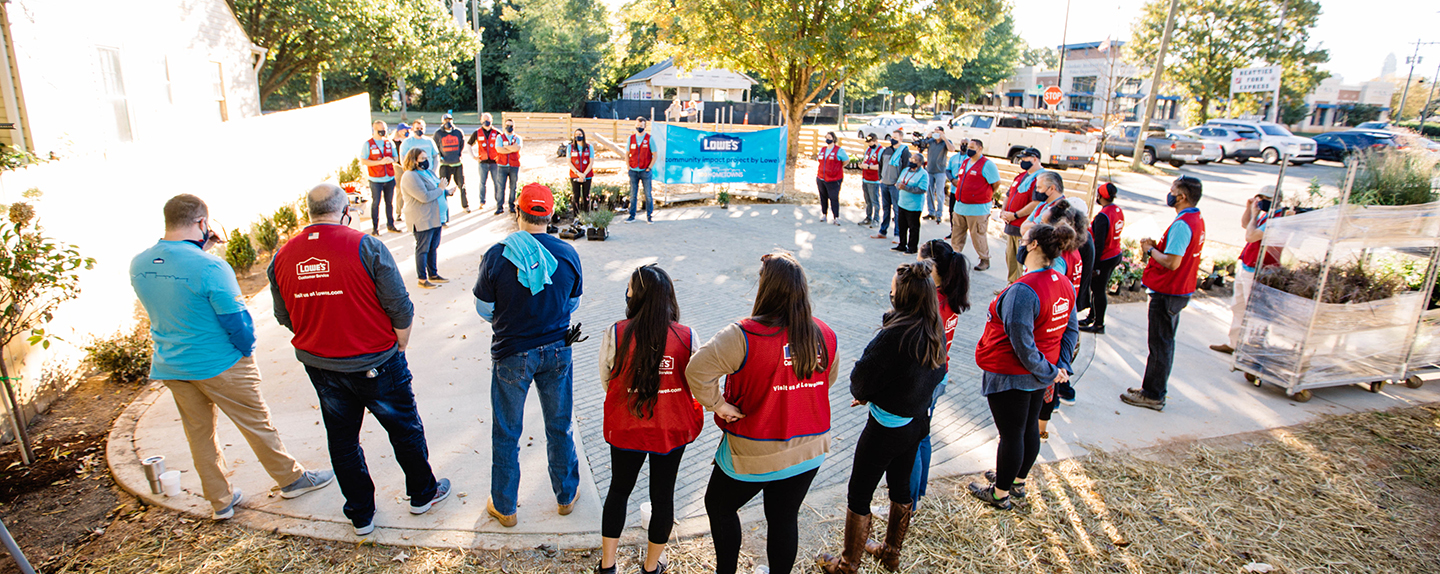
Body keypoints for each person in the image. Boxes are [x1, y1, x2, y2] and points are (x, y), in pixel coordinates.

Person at [129, 194, 334, 521]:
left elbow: (176, 294)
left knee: (199, 434)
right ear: (202, 223)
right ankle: (291, 479)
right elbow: (235, 320)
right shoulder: (210, 266)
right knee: (257, 424)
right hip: (220, 362)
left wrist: (200, 251)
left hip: (171, 364)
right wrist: (247, 349)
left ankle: (220, 500)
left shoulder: (139, 264)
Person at [268, 184, 450, 536]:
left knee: (342, 440)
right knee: (404, 429)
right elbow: (400, 307)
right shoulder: (366, 246)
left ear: (309, 213)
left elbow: (284, 315)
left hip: (322, 366)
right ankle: (422, 494)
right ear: (345, 209)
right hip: (377, 361)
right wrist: (400, 345)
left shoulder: (281, 257)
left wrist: (318, 332)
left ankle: (361, 514)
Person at [686, 252, 837, 574]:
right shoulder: (824, 334)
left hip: (754, 449)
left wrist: (719, 405)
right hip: (810, 448)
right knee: (783, 517)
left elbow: (696, 371)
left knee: (719, 505)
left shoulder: (741, 335)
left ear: (765, 288)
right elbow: (827, 380)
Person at [817, 261, 947, 574]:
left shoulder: (894, 336)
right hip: (916, 422)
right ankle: (891, 553)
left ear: (902, 297)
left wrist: (868, 394)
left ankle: (848, 564)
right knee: (900, 487)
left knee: (859, 493)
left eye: (892, 290)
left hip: (886, 427)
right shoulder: (934, 328)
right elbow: (931, 375)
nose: (889, 292)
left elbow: (860, 379)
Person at [473, 183, 585, 527]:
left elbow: (483, 308)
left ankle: (505, 507)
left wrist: (510, 319)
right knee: (559, 425)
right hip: (557, 351)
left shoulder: (497, 254)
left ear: (517, 212)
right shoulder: (568, 254)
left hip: (512, 353)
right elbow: (572, 302)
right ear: (550, 216)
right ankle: (566, 496)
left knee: (507, 431)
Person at [597, 265, 702, 574]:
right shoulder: (687, 335)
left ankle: (607, 565)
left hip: (628, 426)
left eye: (629, 287)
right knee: (663, 495)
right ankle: (652, 565)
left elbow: (606, 379)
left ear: (637, 295)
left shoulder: (616, 331)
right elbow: (695, 382)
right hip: (670, 428)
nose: (626, 292)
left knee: (619, 489)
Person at [968, 223, 1079, 510]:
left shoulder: (1024, 290)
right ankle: (1015, 480)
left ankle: (1000, 493)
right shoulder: (1063, 282)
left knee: (1012, 435)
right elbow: (1071, 330)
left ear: (1032, 246)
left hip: (1014, 375)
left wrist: (1052, 371)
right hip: (1042, 374)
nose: (1019, 242)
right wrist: (1057, 367)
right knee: (1028, 428)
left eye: (1024, 239)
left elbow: (1022, 344)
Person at [1121, 176, 1206, 412]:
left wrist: (1150, 250)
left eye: (1172, 191)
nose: (1169, 194)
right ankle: (1151, 389)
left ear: (1182, 196)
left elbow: (1172, 262)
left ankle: (1154, 394)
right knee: (1162, 343)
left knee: (1160, 345)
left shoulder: (1182, 224)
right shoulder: (1195, 218)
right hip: (1177, 290)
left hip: (1168, 291)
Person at [909, 239, 970, 507]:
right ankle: (916, 495)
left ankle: (907, 500)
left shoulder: (928, 301)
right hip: (939, 374)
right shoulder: (948, 295)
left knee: (910, 442)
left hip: (922, 378)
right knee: (923, 435)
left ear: (929, 265)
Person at [1034, 200, 1088, 437]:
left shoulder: (1058, 262)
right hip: (1065, 317)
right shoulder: (1075, 251)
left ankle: (1040, 427)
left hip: (1053, 326)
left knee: (1047, 386)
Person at [1210, 186, 1276, 355]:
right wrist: (1249, 209)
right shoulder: (1263, 216)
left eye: (1265, 199)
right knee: (1238, 306)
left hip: (1259, 270)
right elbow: (1245, 225)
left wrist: (1255, 215)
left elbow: (1251, 236)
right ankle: (1234, 343)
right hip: (1247, 265)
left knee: (1254, 312)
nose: (1261, 202)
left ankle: (1252, 349)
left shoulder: (1276, 219)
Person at [948, 138, 1000, 271]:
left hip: (977, 208)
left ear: (980, 149)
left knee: (977, 235)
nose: (968, 149)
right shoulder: (966, 162)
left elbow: (996, 183)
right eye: (967, 146)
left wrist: (985, 194)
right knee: (957, 233)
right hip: (960, 206)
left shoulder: (987, 165)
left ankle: (984, 259)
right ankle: (955, 256)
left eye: (972, 147)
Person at [399, 148, 448, 289]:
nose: (426, 161)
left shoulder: (427, 172)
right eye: (422, 158)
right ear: (413, 160)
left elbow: (438, 189)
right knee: (423, 249)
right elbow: (424, 197)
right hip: (422, 218)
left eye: (426, 158)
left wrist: (446, 191)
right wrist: (441, 189)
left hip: (435, 217)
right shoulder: (410, 176)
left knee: (433, 247)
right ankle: (422, 279)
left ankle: (433, 274)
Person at [1081, 183, 1125, 335]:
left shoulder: (1102, 217)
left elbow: (1099, 243)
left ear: (1100, 196)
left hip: (1106, 257)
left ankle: (1099, 324)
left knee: (1098, 291)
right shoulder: (1116, 210)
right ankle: (1091, 317)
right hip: (1115, 253)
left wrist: (1095, 266)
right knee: (1098, 289)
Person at [997, 148, 1047, 282]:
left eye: (1025, 159)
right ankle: (1011, 284)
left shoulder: (1041, 178)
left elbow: (1036, 203)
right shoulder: (1021, 176)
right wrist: (1004, 211)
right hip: (1011, 225)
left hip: (1023, 227)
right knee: (1011, 258)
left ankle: (1019, 285)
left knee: (1021, 260)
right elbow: (1009, 194)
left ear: (1035, 159)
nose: (1021, 161)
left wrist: (1016, 215)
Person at [360, 120, 401, 236]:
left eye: (385, 129)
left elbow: (396, 157)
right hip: (375, 179)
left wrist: (391, 160)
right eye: (380, 130)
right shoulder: (368, 144)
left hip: (389, 177)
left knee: (389, 202)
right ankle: (375, 227)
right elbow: (363, 161)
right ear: (375, 130)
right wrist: (378, 163)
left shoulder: (389, 143)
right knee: (376, 203)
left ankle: (390, 224)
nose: (383, 132)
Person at [871, 130, 910, 240]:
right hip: (884, 183)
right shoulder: (887, 150)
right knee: (886, 208)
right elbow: (881, 164)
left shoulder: (904, 151)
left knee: (897, 210)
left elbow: (906, 168)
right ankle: (883, 231)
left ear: (901, 139)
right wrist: (880, 178)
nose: (892, 139)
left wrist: (899, 181)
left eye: (895, 137)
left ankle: (898, 234)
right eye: (892, 136)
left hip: (895, 185)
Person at [893, 154, 929, 255]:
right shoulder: (905, 170)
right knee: (902, 226)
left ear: (920, 163)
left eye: (915, 160)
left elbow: (922, 189)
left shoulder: (923, 174)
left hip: (914, 206)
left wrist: (906, 188)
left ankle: (912, 247)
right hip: (902, 203)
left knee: (913, 227)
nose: (912, 161)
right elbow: (899, 181)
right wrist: (898, 185)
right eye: (911, 159)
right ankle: (901, 244)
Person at [433, 112, 469, 213]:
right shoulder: (438, 133)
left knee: (462, 185)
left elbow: (462, 144)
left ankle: (465, 205)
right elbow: (436, 146)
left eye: (449, 120)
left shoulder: (458, 132)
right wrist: (441, 156)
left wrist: (458, 155)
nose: (448, 122)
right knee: (442, 186)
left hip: (457, 163)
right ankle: (441, 207)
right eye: (446, 120)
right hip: (445, 164)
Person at [921, 126, 955, 223]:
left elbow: (952, 149)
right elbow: (921, 146)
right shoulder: (931, 141)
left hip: (940, 171)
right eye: (935, 131)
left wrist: (944, 138)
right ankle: (931, 212)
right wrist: (927, 137)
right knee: (929, 192)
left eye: (938, 132)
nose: (936, 133)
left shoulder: (946, 142)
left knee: (940, 193)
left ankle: (939, 213)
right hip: (930, 170)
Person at [469, 113, 501, 213]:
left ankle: (498, 202)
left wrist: (500, 156)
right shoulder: (477, 132)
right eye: (484, 119)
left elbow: (504, 145)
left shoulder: (497, 132)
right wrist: (473, 156)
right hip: (482, 162)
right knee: (482, 183)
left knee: (497, 182)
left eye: (488, 119)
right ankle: (482, 202)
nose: (487, 122)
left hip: (494, 162)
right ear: (481, 120)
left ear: (492, 120)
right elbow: (469, 144)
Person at [627, 117, 656, 223]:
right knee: (633, 194)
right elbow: (627, 154)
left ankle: (649, 216)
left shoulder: (649, 138)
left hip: (645, 171)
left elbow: (655, 155)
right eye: (638, 125)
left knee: (648, 194)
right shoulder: (631, 138)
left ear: (645, 126)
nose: (639, 127)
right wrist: (628, 166)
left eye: (641, 125)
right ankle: (632, 216)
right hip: (633, 170)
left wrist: (649, 167)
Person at [816, 131, 848, 225]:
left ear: (833, 139)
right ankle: (824, 214)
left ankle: (836, 217)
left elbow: (846, 161)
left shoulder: (839, 150)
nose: (827, 139)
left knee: (834, 197)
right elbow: (819, 160)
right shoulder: (822, 149)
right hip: (821, 177)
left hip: (834, 179)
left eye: (829, 137)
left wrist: (837, 168)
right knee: (823, 196)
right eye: (826, 137)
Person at [494, 118, 523, 215]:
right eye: (507, 125)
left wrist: (505, 147)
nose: (509, 127)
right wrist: (511, 148)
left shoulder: (518, 138)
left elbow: (518, 148)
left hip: (514, 165)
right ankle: (499, 206)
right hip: (502, 165)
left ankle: (511, 205)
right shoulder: (499, 137)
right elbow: (499, 150)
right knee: (501, 187)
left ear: (514, 127)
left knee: (513, 187)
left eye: (511, 126)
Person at [569, 129, 595, 212]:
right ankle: (576, 217)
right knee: (576, 196)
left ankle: (586, 215)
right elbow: (569, 162)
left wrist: (584, 174)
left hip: (587, 176)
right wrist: (578, 174)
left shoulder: (589, 147)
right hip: (574, 176)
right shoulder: (570, 147)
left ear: (583, 135)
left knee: (586, 196)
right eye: (576, 135)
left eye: (580, 134)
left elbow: (591, 162)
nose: (578, 136)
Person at [859, 134, 882, 227]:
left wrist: (868, 167)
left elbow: (881, 166)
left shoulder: (880, 151)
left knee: (875, 200)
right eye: (868, 143)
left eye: (871, 142)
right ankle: (868, 217)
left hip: (874, 179)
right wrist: (862, 165)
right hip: (865, 178)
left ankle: (876, 219)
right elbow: (866, 160)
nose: (869, 144)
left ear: (876, 141)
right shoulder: (868, 150)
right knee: (868, 200)